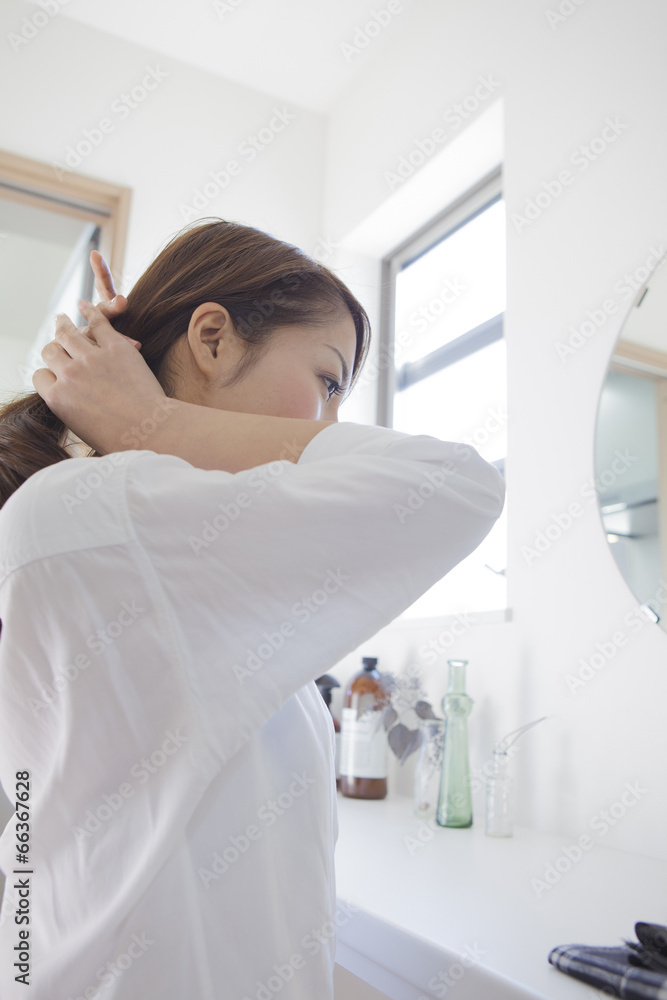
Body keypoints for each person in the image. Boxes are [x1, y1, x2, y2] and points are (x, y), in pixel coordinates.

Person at [0, 218, 505, 999]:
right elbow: (458, 484)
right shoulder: (101, 507)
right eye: (328, 380)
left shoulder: (148, 525)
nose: (327, 423)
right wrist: (148, 422)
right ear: (212, 339)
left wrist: (146, 423)